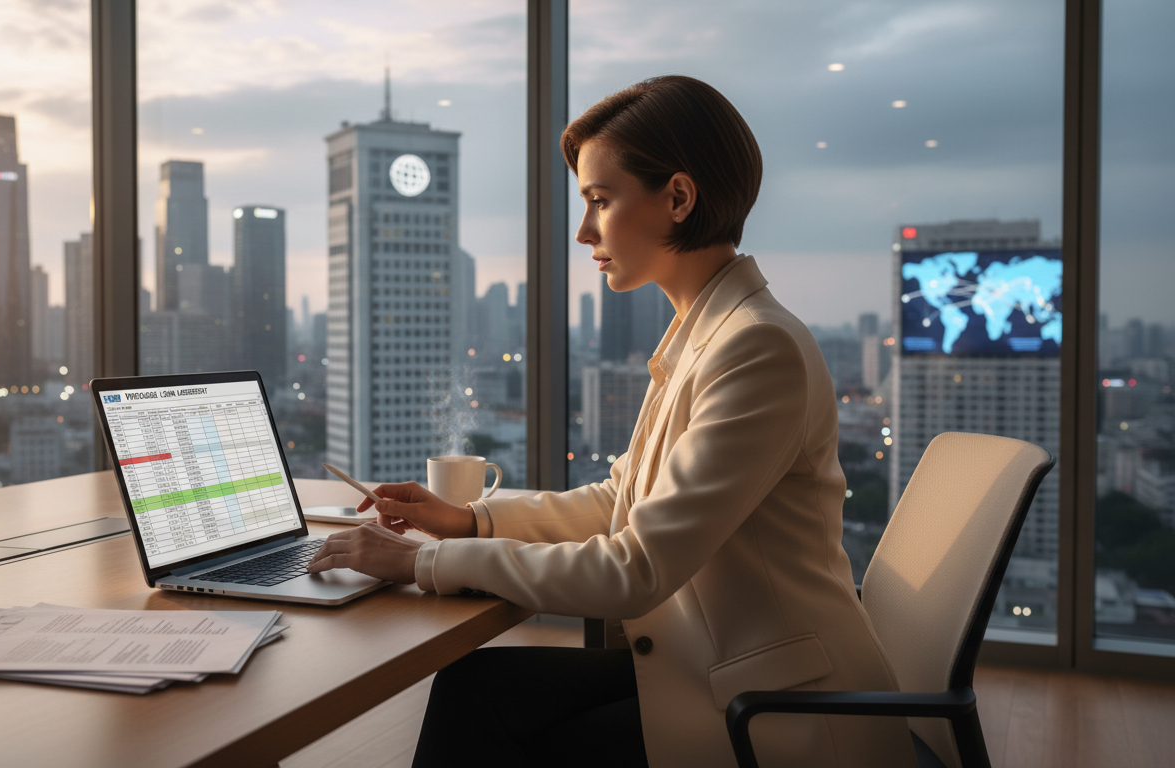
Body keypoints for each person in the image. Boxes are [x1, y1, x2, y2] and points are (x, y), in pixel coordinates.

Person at [307, 75, 917, 768]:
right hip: (718, 664)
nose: (583, 230)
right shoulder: (706, 333)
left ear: (679, 199)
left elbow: (636, 568)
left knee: (496, 727)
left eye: (600, 199)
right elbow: (617, 503)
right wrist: (468, 520)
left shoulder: (757, 349)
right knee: (476, 691)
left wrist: (423, 560)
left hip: (775, 706)